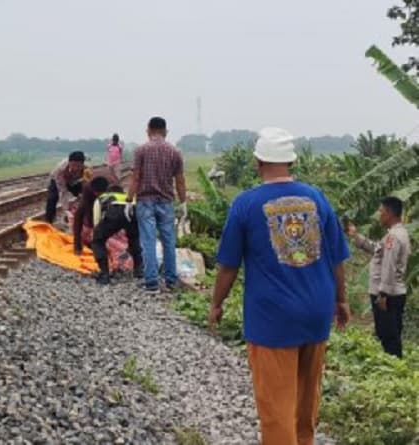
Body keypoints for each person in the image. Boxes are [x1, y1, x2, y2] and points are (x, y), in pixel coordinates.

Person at [209, 127, 351, 445]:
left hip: (273, 318)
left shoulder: (246, 204)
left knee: (276, 409)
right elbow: (337, 258)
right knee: (305, 404)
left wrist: (216, 303)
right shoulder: (317, 199)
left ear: (259, 162)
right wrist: (341, 300)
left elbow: (229, 265)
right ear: (291, 162)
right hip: (317, 312)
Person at [126, 117, 187, 292]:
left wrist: (129, 200)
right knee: (169, 240)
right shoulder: (175, 152)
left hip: (145, 201)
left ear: (148, 130)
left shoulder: (141, 150)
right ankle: (170, 280)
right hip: (166, 202)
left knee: (148, 240)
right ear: (165, 131)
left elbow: (136, 177)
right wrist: (183, 203)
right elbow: (180, 180)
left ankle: (151, 281)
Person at [348, 196, 411, 358]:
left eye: (381, 211)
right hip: (393, 292)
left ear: (389, 213)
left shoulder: (394, 237)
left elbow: (388, 266)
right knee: (390, 334)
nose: (379, 215)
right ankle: (395, 369)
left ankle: (395, 371)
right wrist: (356, 237)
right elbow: (377, 249)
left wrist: (383, 294)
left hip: (386, 295)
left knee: (388, 336)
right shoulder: (396, 234)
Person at [90, 183, 143, 285]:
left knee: (97, 241)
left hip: (113, 214)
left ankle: (104, 274)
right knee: (134, 239)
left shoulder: (102, 198)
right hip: (132, 214)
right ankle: (139, 269)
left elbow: (96, 221)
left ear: (108, 191)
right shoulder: (128, 196)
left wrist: (99, 232)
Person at [45, 151, 90, 224]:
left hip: (74, 181)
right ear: (69, 163)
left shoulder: (87, 170)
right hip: (57, 180)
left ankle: (85, 216)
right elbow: (63, 191)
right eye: (73, 165)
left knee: (86, 194)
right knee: (52, 198)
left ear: (82, 164)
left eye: (78, 166)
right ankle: (49, 221)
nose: (75, 168)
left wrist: (82, 198)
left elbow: (86, 185)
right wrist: (67, 210)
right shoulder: (60, 170)